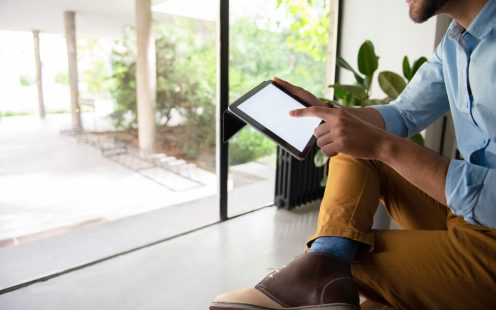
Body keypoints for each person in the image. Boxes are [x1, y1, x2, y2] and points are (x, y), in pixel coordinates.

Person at [210, 0, 496, 309]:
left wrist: (383, 145)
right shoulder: (454, 45)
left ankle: (321, 267)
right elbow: (402, 115)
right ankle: (325, 260)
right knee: (350, 144)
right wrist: (329, 113)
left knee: (344, 265)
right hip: (465, 215)